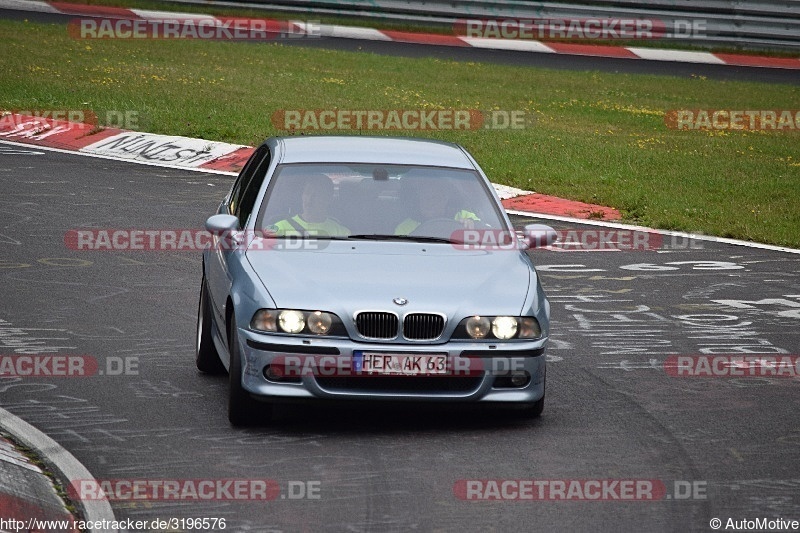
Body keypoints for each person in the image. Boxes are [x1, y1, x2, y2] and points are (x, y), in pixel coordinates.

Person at [267, 174, 350, 237]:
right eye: (307, 192)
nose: (309, 199)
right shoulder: (280, 228)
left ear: (329, 199)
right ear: (302, 195)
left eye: (317, 194)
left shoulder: (342, 233)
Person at [394, 178, 479, 235]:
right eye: (427, 198)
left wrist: (473, 224)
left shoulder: (464, 215)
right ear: (419, 199)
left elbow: (487, 232)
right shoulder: (404, 228)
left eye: (436, 198)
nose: (432, 202)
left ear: (446, 199)